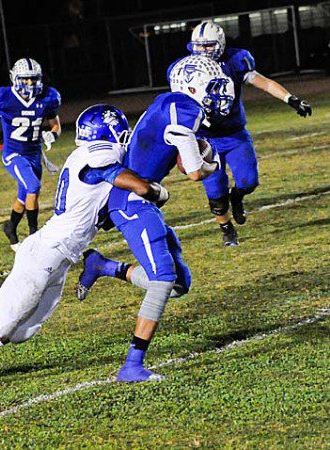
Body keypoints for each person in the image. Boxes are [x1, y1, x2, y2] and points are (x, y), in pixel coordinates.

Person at [0, 104, 169, 400]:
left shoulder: (86, 156)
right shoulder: (99, 156)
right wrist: (157, 191)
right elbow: (137, 186)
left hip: (60, 257)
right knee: (2, 322)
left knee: (22, 332)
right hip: (45, 253)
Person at [77, 55, 235, 381]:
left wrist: (200, 152)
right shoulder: (184, 106)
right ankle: (131, 365)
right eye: (210, 85)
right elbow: (192, 171)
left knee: (178, 284)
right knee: (163, 278)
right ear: (190, 86)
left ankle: (103, 266)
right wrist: (213, 164)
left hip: (137, 202)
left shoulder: (168, 101)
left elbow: (176, 155)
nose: (217, 90)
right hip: (134, 203)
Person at [169, 21, 312, 245]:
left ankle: (237, 197)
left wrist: (290, 99)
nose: (204, 51)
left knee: (249, 181)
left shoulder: (235, 60)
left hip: (234, 134)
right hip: (205, 139)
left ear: (220, 44)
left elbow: (263, 82)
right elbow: (175, 104)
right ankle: (227, 230)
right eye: (199, 46)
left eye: (209, 46)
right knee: (216, 192)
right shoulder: (183, 68)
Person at [0, 58, 62, 251]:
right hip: (13, 154)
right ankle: (35, 236)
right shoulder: (3, 98)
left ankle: (11, 228)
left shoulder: (47, 98)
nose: (30, 84)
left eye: (33, 79)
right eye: (25, 80)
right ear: (15, 78)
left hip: (34, 154)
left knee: (25, 197)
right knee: (33, 186)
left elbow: (55, 126)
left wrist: (52, 135)